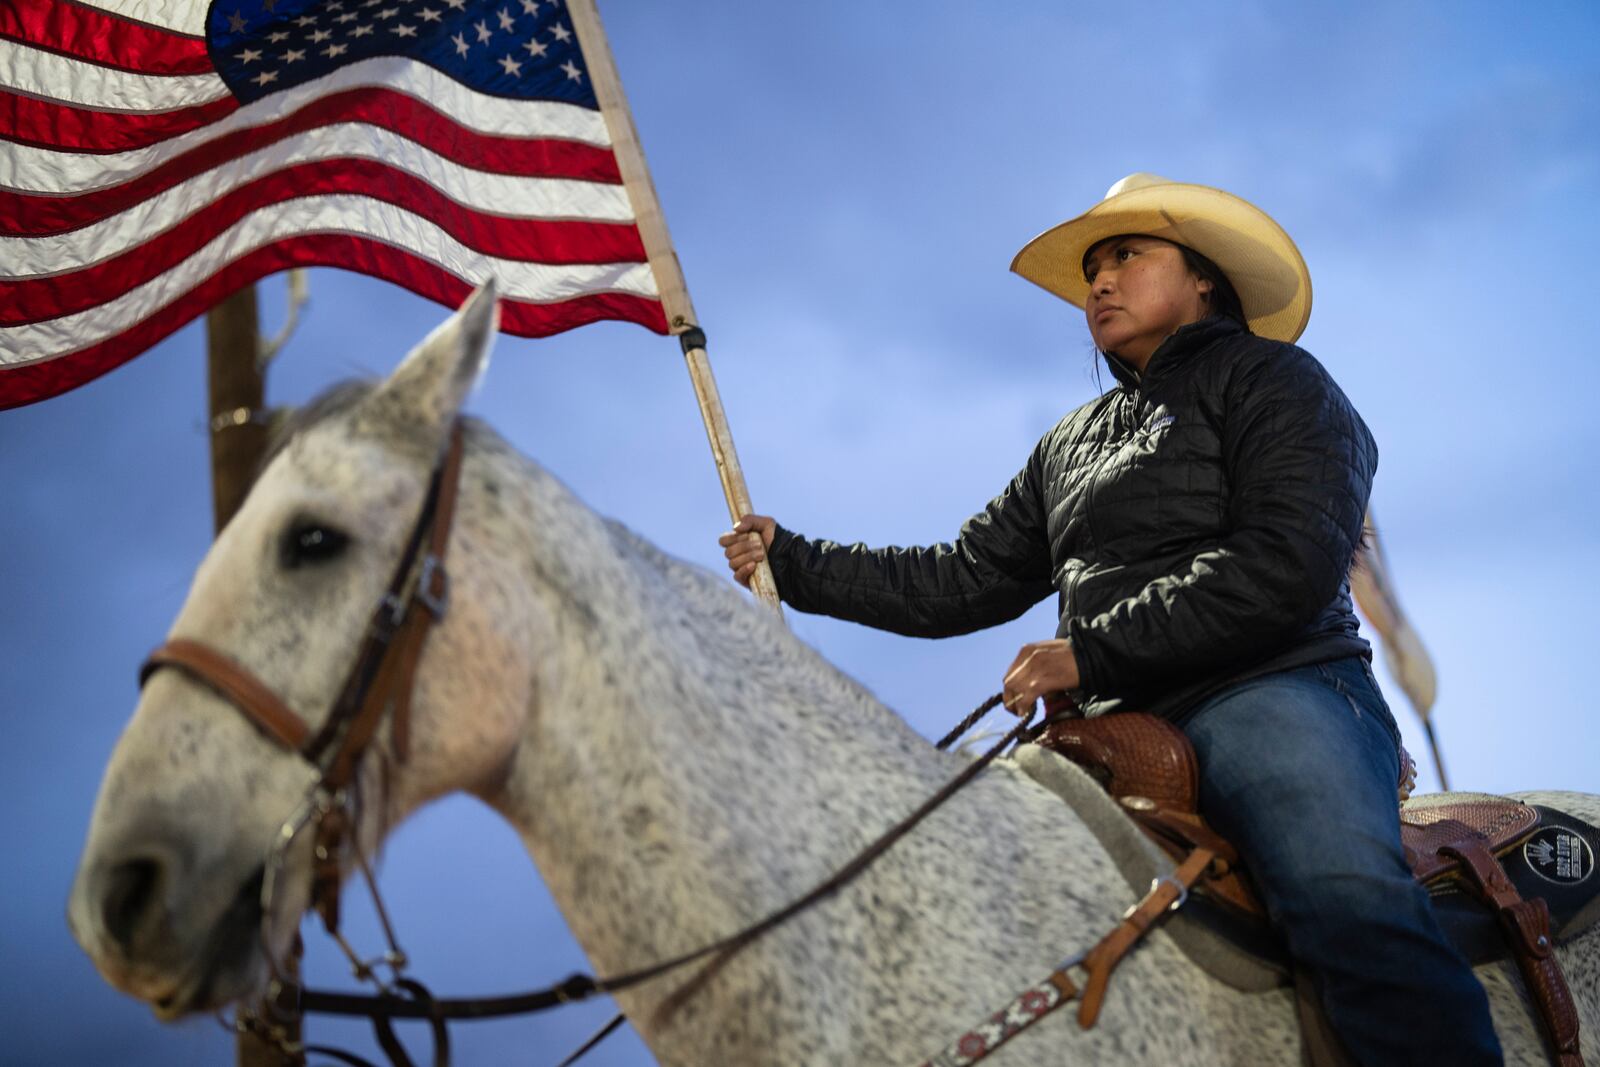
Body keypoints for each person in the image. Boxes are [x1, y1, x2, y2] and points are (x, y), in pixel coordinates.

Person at [719, 174, 1502, 1065]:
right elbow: (960, 578)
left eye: (1127, 255)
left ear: (1205, 279)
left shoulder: (1282, 382)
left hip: (1276, 686)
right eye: (1092, 267)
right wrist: (796, 560)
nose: (1099, 282)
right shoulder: (1068, 442)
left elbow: (1282, 567)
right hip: (1110, 721)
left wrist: (1089, 652)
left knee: (1348, 899)